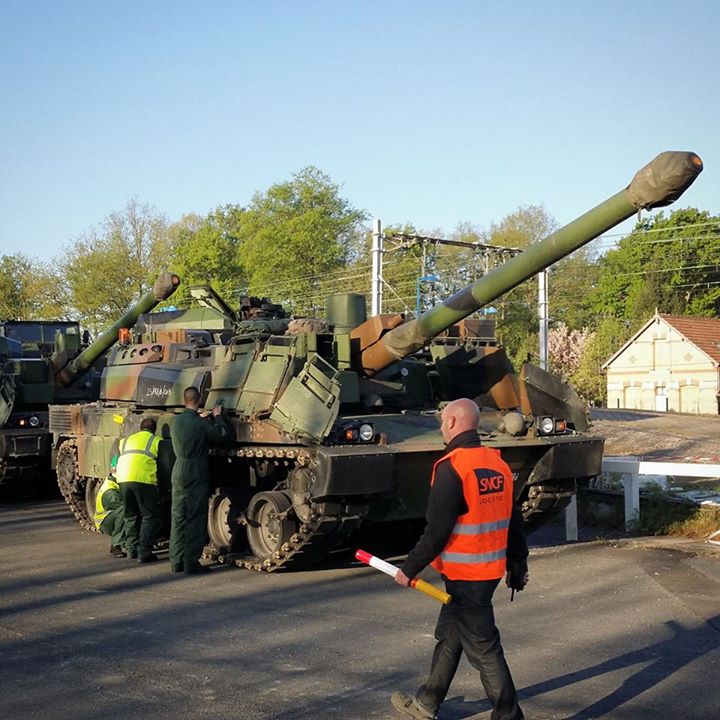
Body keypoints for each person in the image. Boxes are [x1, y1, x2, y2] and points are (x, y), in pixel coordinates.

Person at [391, 398, 528, 720]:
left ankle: (509, 715)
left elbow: (436, 531)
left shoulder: (452, 467)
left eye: (442, 422)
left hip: (467, 574)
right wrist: (518, 564)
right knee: (450, 636)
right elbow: (514, 519)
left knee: (483, 647)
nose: (440, 427)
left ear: (453, 423)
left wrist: (409, 569)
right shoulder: (498, 464)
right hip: (488, 570)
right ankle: (426, 703)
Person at [169, 386, 229, 575]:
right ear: (200, 399)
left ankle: (176, 561)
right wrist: (217, 415)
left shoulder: (177, 421)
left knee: (178, 517)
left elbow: (191, 426)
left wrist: (199, 418)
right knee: (195, 517)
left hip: (178, 470)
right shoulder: (199, 423)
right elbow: (221, 434)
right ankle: (190, 563)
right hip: (195, 471)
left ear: (184, 399)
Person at [116, 418, 161, 563]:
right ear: (154, 429)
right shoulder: (156, 440)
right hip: (143, 480)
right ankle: (144, 552)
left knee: (130, 515)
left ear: (140, 428)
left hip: (123, 479)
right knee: (149, 516)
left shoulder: (126, 440)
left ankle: (131, 550)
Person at [94, 455, 127, 558]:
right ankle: (116, 545)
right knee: (125, 510)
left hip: (111, 517)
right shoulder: (110, 492)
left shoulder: (116, 484)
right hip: (105, 522)